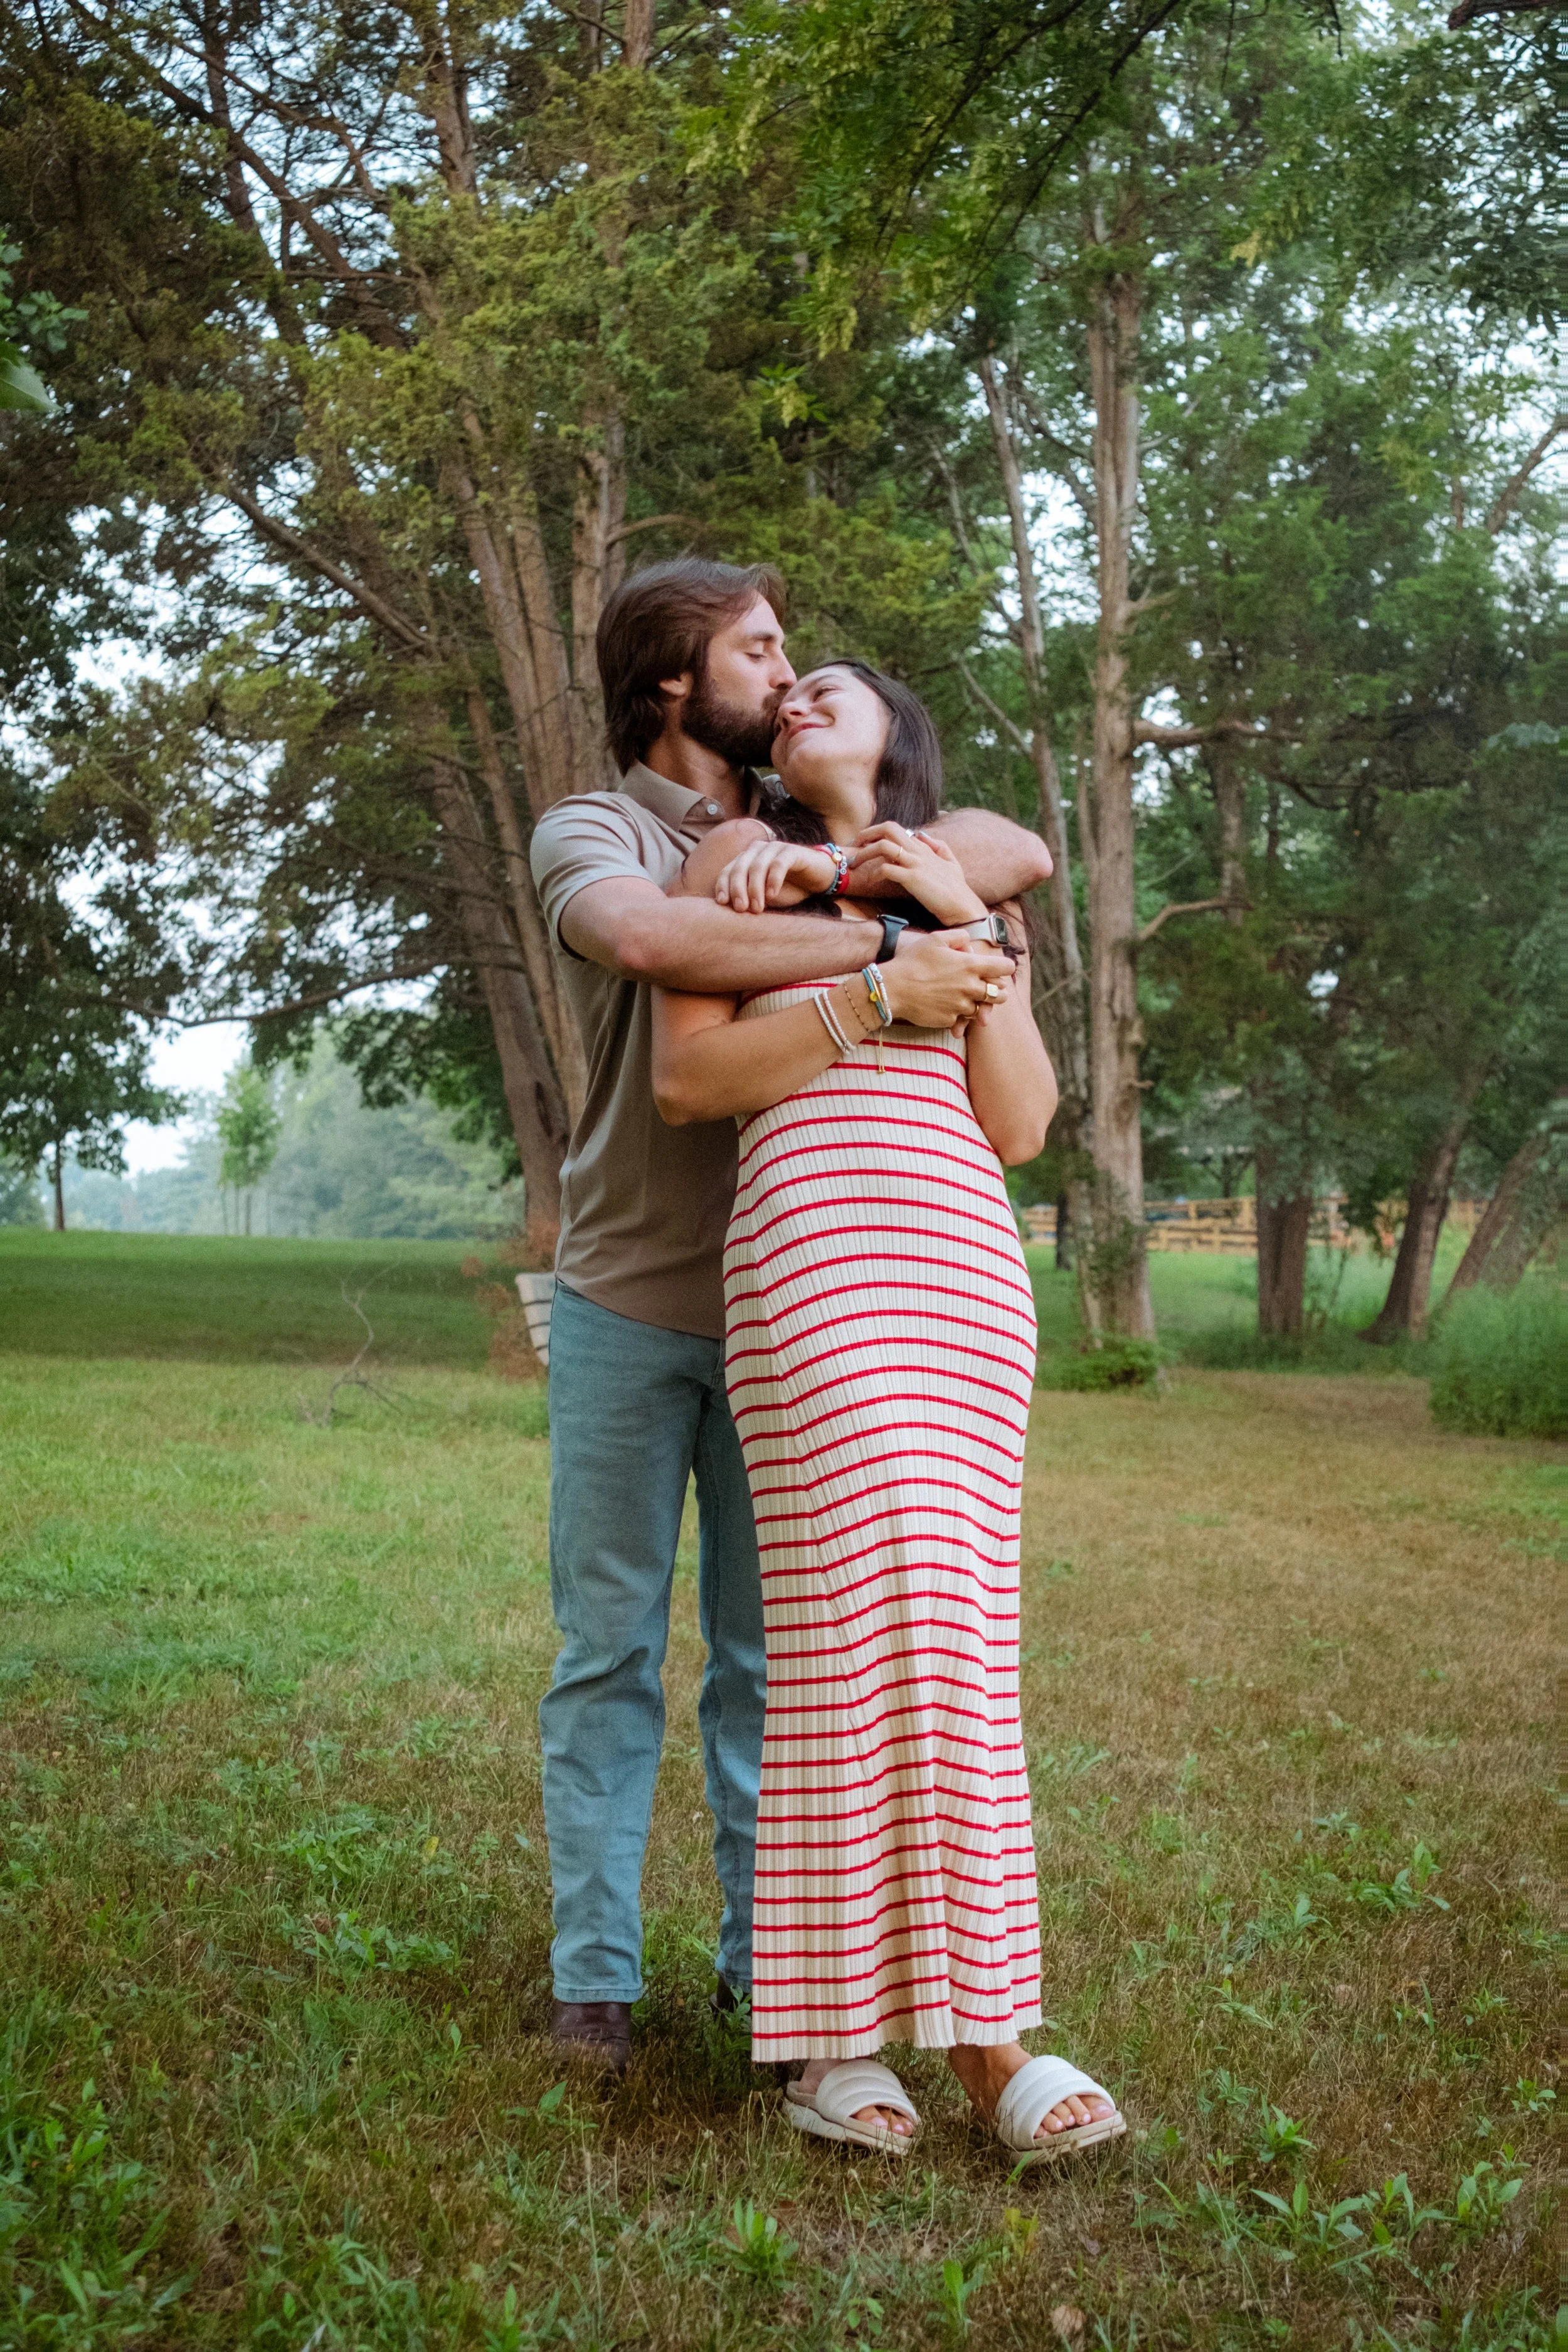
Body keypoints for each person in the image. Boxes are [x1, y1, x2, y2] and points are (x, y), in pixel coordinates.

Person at [527, 559, 1052, 2072]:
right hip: (635, 1292)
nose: (788, 667)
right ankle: (593, 1983)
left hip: (831, 1300)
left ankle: (783, 1980)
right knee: (609, 1648)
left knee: (782, 1661)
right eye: (759, 649)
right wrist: (890, 943)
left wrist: (861, 869)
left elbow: (1008, 844)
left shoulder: (835, 838)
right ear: (678, 681)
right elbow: (654, 947)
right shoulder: (604, 830)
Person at [650, 659, 1126, 2163]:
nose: (798, 698)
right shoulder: (729, 867)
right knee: (870, 1619)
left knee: (959, 1639)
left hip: (964, 1278)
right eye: (784, 692)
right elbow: (690, 1080)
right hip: (813, 1256)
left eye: (834, 690)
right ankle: (875, 2045)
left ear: (898, 739)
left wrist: (962, 924)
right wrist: (870, 987)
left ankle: (959, 2035)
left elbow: (1023, 1119)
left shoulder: (961, 880)